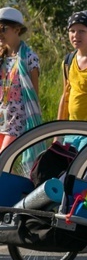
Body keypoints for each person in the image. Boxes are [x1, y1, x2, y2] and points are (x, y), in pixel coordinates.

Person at [0, 8, 41, 152]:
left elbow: (33, 94)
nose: (0, 34)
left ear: (17, 30)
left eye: (3, 29)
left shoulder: (29, 58)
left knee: (3, 160)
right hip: (2, 119)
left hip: (18, 123)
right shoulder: (2, 57)